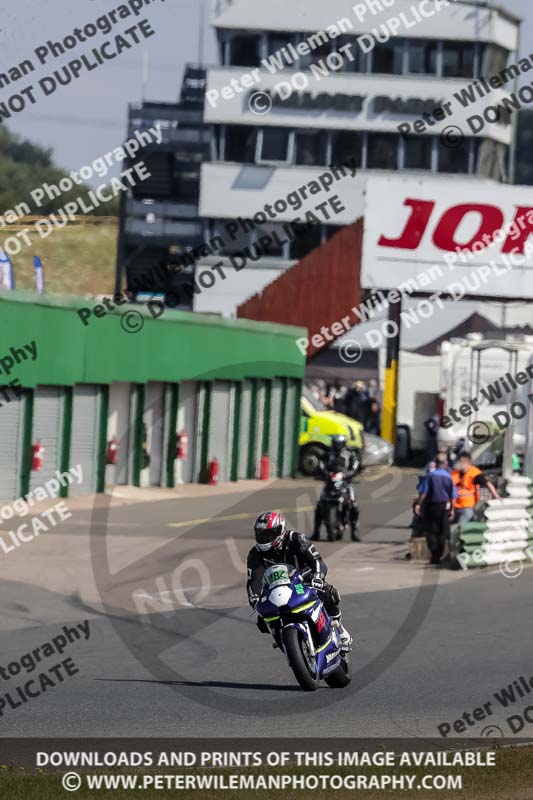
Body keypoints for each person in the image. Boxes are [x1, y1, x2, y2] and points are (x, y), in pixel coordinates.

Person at [246, 511, 353, 650]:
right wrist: (254, 600)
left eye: (268, 534)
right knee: (262, 621)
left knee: (327, 592)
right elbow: (253, 580)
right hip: (276, 590)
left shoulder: (296, 539)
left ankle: (338, 627)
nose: (264, 538)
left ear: (280, 530)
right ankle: (284, 643)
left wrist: (317, 577)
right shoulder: (254, 554)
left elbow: (317, 561)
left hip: (303, 581)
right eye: (260, 534)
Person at [311, 434, 360, 541]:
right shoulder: (327, 454)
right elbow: (321, 465)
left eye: (339, 444)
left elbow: (355, 466)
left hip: (345, 483)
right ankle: (316, 532)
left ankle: (354, 532)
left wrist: (347, 474)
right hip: (330, 483)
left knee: (354, 505)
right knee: (319, 505)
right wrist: (326, 474)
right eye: (336, 443)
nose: (338, 446)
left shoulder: (350, 454)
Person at [415, 452, 455, 566]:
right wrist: (452, 509)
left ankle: (434, 554)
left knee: (431, 531)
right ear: (446, 463)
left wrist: (418, 504)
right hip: (444, 507)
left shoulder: (430, 476)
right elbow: (452, 495)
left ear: (435, 463)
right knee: (442, 531)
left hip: (431, 506)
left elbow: (423, 493)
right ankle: (440, 554)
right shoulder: (449, 477)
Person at [451, 452, 499, 525]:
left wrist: (495, 495)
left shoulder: (474, 473)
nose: (457, 464)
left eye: (459, 461)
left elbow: (487, 483)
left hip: (467, 508)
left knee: (458, 527)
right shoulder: (454, 473)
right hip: (454, 508)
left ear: (466, 462)